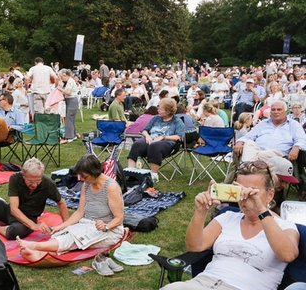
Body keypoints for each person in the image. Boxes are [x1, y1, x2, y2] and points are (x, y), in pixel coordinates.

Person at [161, 161, 299, 290]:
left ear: (270, 195)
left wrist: (261, 211)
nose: (245, 197)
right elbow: (194, 246)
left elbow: (287, 255)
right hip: (203, 282)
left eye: (252, 192)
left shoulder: (285, 226)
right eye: (240, 191)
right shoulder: (227, 217)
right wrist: (200, 212)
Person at [16, 155, 124, 263]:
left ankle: (35, 246)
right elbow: (80, 212)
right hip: (87, 223)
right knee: (62, 233)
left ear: (94, 172)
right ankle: (40, 254)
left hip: (110, 230)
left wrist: (106, 226)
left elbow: (119, 218)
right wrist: (62, 226)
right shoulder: (86, 185)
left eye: (84, 176)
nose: (82, 179)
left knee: (75, 238)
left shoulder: (111, 187)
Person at [127, 98, 185, 183]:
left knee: (155, 146)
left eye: (160, 109)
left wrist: (163, 137)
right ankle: (130, 172)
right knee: (137, 144)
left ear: (168, 111)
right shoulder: (155, 118)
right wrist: (147, 136)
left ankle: (153, 175)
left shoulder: (177, 121)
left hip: (168, 143)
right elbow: (145, 130)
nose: (158, 110)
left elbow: (179, 137)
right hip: (151, 139)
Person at [57, 68, 79, 143]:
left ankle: (70, 137)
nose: (62, 79)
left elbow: (68, 92)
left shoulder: (70, 81)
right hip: (69, 100)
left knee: (69, 119)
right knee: (71, 119)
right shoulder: (69, 81)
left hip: (72, 100)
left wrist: (60, 89)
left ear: (65, 75)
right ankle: (74, 134)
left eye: (62, 77)